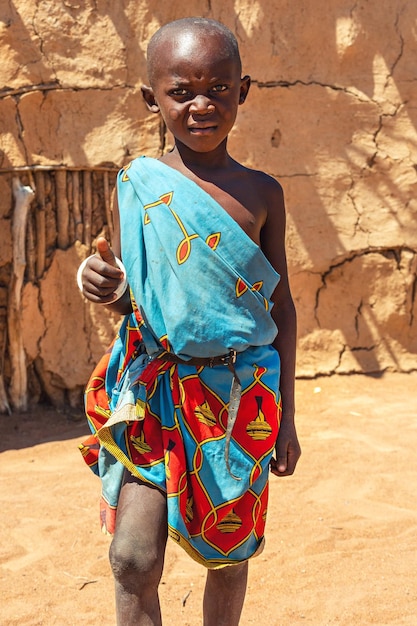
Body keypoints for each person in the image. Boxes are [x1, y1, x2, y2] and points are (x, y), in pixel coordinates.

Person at [78, 16, 301, 626]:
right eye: (182, 91)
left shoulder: (261, 194)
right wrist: (96, 282)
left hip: (238, 398)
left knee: (227, 555)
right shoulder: (138, 185)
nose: (202, 104)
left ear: (243, 90)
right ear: (153, 98)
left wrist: (286, 417)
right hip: (153, 393)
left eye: (219, 89)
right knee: (131, 557)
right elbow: (126, 284)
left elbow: (280, 309)